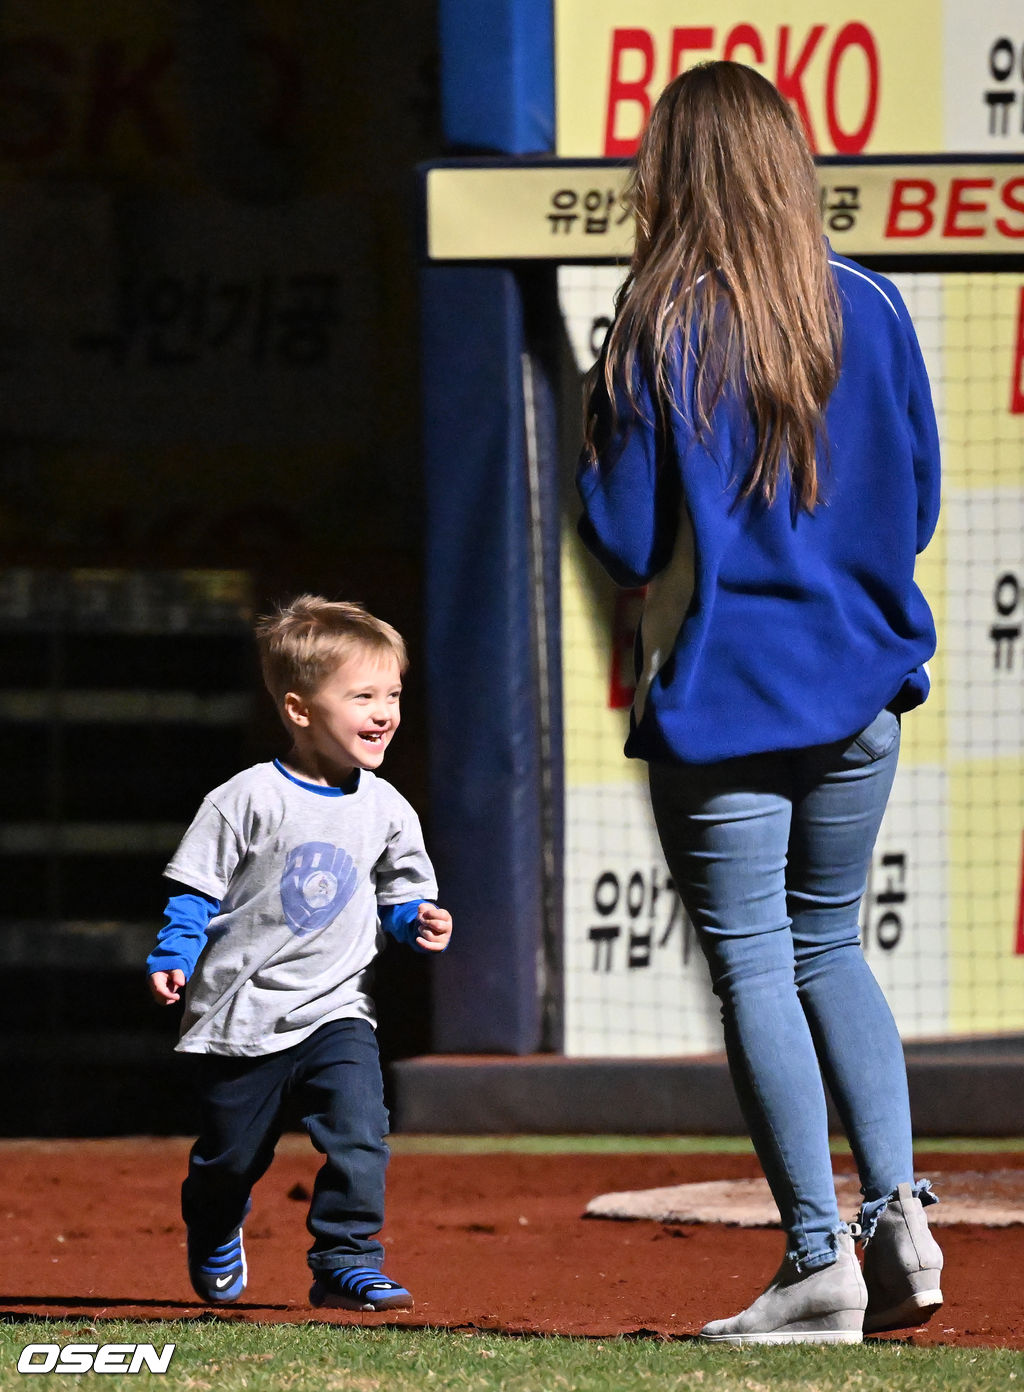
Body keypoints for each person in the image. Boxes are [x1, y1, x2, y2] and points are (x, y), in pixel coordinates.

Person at [577, 62, 943, 1346]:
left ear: (671, 175)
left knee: (752, 965)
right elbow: (921, 502)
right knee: (829, 947)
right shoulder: (874, 303)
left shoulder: (656, 321)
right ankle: (899, 1223)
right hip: (861, 689)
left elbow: (624, 542)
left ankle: (813, 1263)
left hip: (727, 694)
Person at [146, 595, 452, 1312]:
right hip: (240, 1019)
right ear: (300, 708)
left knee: (359, 1133)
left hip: (336, 1012)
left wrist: (417, 921)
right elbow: (195, 887)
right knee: (230, 1161)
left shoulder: (386, 806)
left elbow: (401, 894)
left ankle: (345, 1257)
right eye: (363, 696)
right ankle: (215, 1218)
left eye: (393, 695)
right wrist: (176, 951)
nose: (384, 712)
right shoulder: (244, 798)